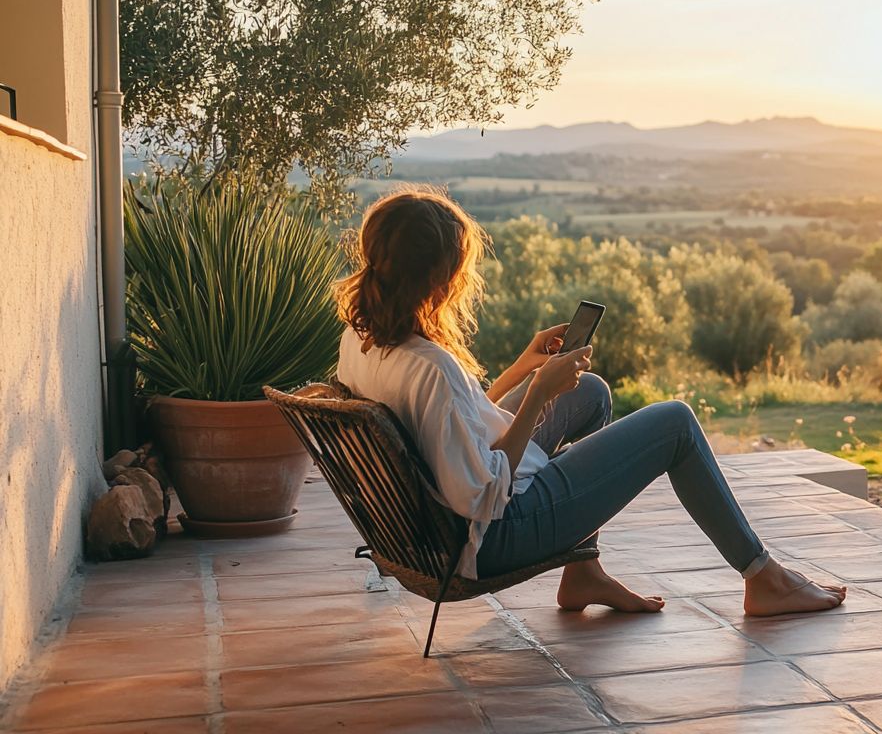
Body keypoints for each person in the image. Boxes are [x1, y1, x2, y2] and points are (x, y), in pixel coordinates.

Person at [334, 189, 846, 616]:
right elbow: (483, 495)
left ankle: (584, 574)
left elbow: (448, 431)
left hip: (450, 523)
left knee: (589, 391)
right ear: (439, 278)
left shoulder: (362, 343)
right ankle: (763, 578)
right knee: (675, 423)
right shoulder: (431, 367)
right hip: (493, 535)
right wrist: (536, 395)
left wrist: (522, 368)